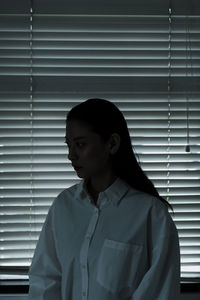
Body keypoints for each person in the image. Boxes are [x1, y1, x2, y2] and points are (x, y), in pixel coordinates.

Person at [28, 98, 180, 300]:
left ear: (112, 143)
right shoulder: (63, 206)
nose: (70, 155)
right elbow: (45, 281)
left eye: (80, 144)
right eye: (69, 145)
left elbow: (160, 291)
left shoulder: (151, 214)